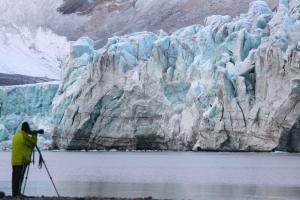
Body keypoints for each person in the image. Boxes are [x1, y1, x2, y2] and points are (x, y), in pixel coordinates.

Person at [11, 122, 37, 197]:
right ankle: (16, 195)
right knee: (19, 178)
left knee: (15, 178)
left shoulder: (17, 135)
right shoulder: (24, 136)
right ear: (27, 130)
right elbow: (33, 143)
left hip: (15, 160)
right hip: (21, 160)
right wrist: (34, 135)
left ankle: (16, 194)